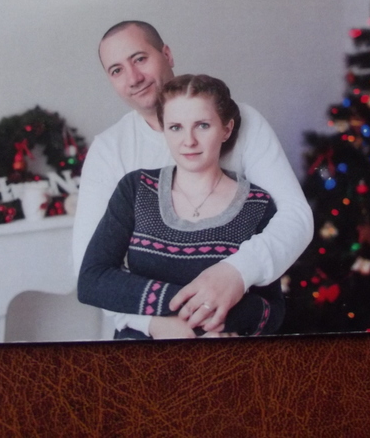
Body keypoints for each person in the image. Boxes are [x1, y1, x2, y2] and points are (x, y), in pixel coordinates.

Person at [72, 20, 313, 336]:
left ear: (167, 54)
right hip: (149, 334)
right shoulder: (110, 151)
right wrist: (156, 324)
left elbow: (295, 218)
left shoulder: (245, 122)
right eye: (116, 70)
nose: (133, 78)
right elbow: (90, 270)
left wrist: (236, 272)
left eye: (140, 59)